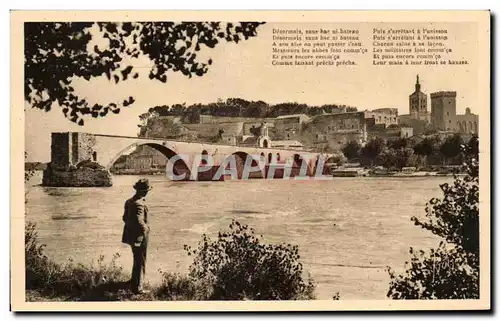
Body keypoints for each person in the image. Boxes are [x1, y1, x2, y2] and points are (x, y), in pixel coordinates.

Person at [122, 178, 152, 294]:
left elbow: (124, 218)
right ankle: (138, 288)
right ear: (143, 191)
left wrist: (131, 227)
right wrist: (146, 229)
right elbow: (139, 221)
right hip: (140, 236)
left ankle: (134, 281)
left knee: (136, 258)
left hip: (130, 235)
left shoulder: (129, 201)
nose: (147, 192)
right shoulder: (139, 204)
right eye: (146, 190)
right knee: (140, 260)